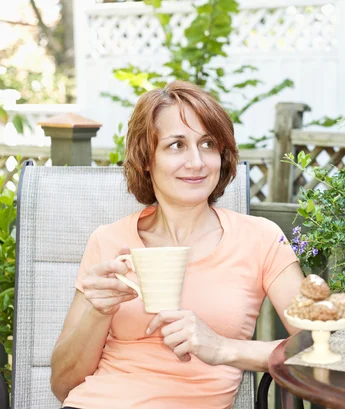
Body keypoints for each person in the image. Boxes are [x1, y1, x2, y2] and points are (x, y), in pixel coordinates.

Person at [50, 81, 304, 409]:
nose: (197, 162)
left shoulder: (260, 238)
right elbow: (63, 385)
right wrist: (98, 313)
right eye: (176, 145)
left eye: (208, 144)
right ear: (146, 158)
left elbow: (323, 349)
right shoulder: (109, 242)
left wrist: (225, 349)